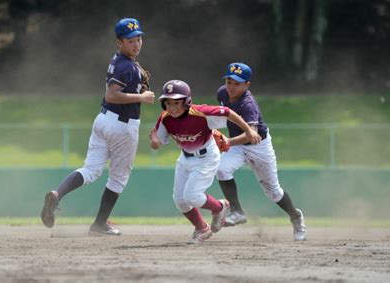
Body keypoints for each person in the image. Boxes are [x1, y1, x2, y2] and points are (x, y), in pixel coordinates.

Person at [40, 17, 155, 235]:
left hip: (103, 120)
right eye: (130, 40)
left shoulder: (119, 60)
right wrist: (142, 97)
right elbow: (111, 95)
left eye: (139, 38)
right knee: (119, 177)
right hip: (122, 126)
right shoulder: (126, 66)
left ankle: (57, 195)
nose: (136, 43)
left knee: (91, 170)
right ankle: (100, 224)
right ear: (119, 43)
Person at [149, 80, 262, 244]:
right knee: (180, 200)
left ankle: (220, 208)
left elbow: (228, 112)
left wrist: (248, 130)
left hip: (206, 158)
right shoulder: (165, 119)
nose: (172, 107)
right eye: (168, 103)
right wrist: (154, 143)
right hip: (185, 158)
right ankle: (202, 228)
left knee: (192, 196)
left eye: (176, 102)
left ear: (187, 101)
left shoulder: (201, 113)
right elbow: (157, 143)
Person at [215, 62, 307, 241]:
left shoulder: (248, 104)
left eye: (237, 83)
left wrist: (228, 141)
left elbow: (252, 135)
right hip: (238, 146)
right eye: (229, 81)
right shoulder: (222, 93)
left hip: (259, 147)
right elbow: (222, 115)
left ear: (247, 85)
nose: (231, 87)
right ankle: (237, 211)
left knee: (273, 192)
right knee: (222, 169)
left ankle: (295, 216)